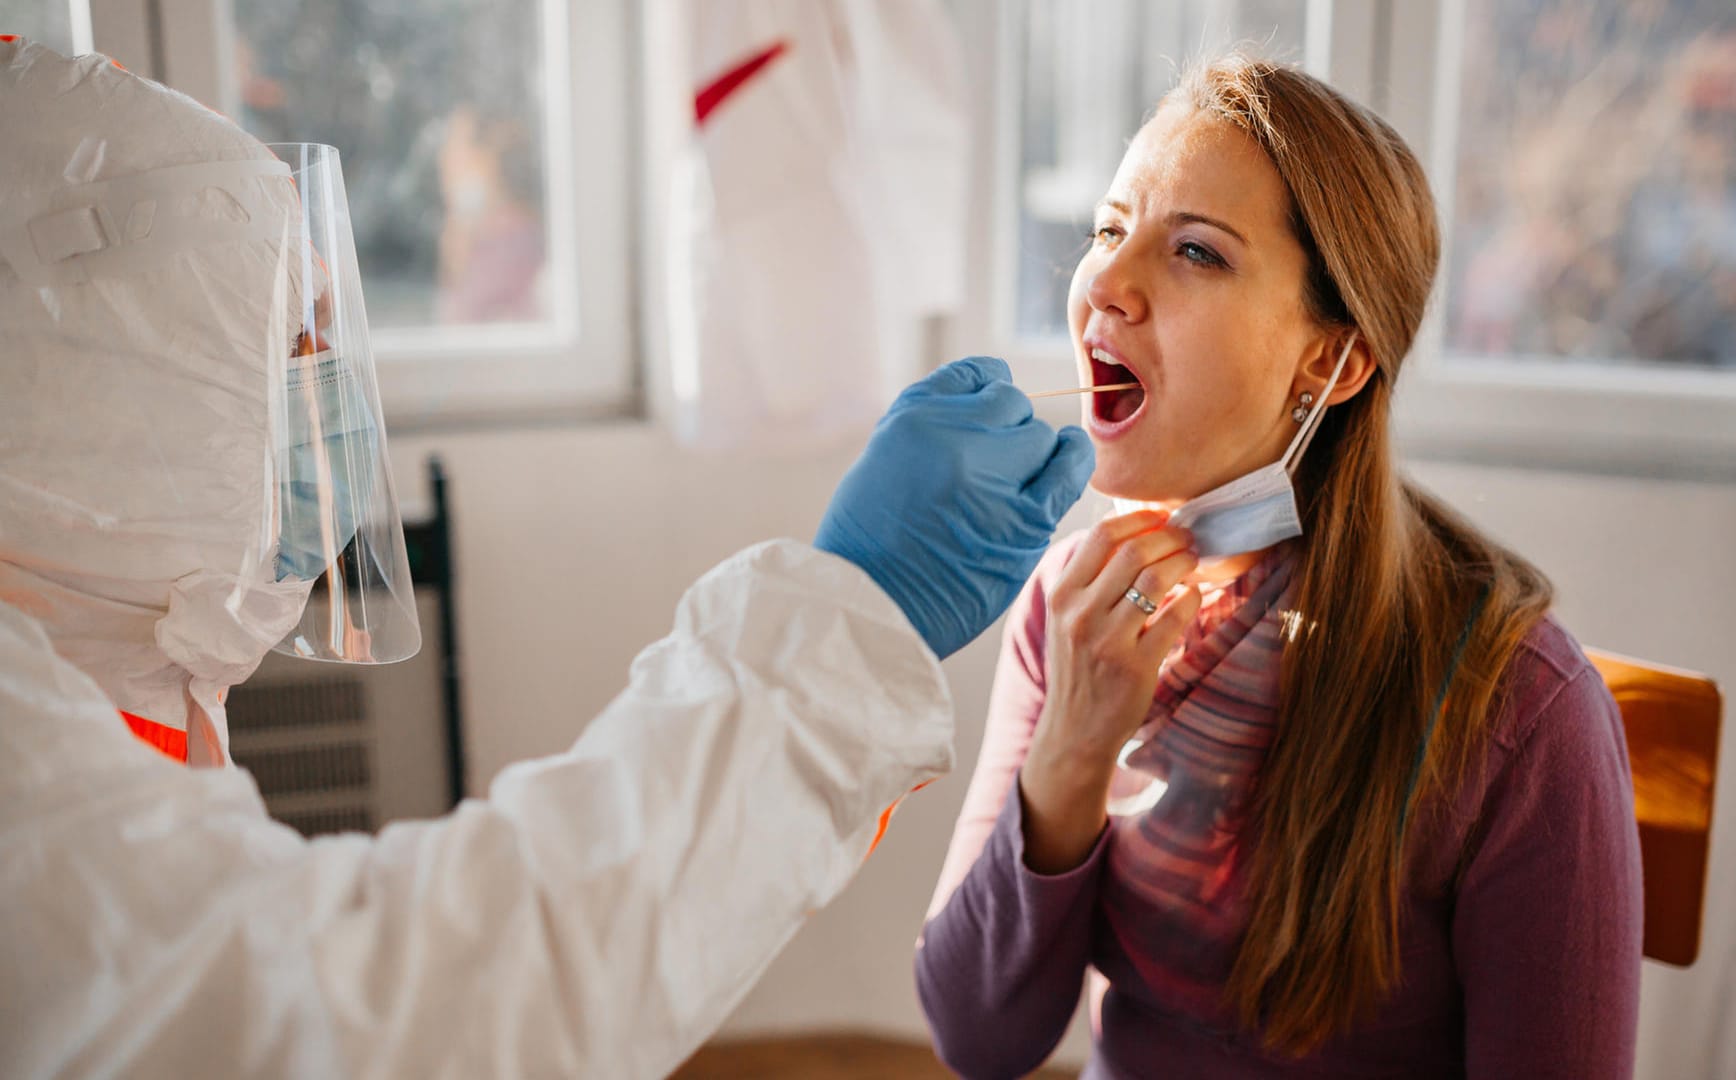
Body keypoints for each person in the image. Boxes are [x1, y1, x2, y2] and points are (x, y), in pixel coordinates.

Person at [0, 39, 1092, 1078]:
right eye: (287, 352)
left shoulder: (100, 660)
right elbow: (393, 1020)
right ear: (99, 405)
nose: (321, 405)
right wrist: (852, 624)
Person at [915, 58, 1643, 1078]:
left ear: (1331, 363)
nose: (1107, 285)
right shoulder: (1073, 608)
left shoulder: (1520, 708)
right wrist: (1073, 746)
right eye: (1108, 229)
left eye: (1198, 253)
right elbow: (978, 1040)